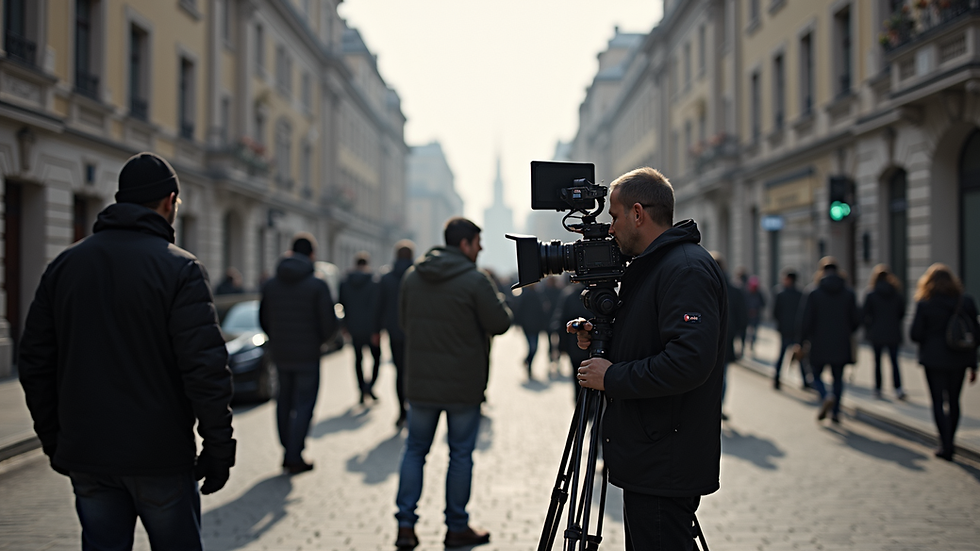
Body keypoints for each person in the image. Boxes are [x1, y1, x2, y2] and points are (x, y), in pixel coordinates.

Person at [18, 152, 235, 550]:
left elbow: (34, 362)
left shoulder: (65, 265)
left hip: (88, 453)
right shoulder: (180, 269)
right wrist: (219, 446)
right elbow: (204, 368)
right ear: (170, 201)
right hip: (159, 455)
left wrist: (55, 438)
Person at [569, 167, 727, 550]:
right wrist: (605, 345)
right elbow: (651, 343)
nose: (610, 228)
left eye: (614, 216)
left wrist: (611, 377)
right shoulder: (657, 265)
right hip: (653, 451)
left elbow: (687, 361)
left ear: (637, 214)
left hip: (664, 456)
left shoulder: (684, 268)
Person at [394, 217, 513, 549]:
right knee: (460, 455)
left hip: (421, 383)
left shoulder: (413, 276)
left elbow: (403, 322)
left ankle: (405, 525)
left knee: (414, 450)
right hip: (463, 384)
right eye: (478, 243)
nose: (481, 249)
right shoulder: (476, 280)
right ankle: (456, 527)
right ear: (464, 244)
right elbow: (501, 323)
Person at [260, 233, 339, 474]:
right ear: (312, 254)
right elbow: (329, 324)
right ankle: (294, 454)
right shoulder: (317, 284)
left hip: (281, 353)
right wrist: (318, 342)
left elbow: (263, 319)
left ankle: (287, 449)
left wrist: (277, 338)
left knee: (283, 401)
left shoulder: (271, 284)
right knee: (304, 403)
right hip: (308, 354)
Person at [909, 263, 979, 461]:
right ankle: (951, 440)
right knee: (954, 401)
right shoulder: (965, 301)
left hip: (934, 360)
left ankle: (945, 444)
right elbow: (975, 335)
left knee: (938, 401)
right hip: (959, 359)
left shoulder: (925, 302)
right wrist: (973, 364)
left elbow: (915, 334)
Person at [799, 257, 860, 423]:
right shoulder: (848, 293)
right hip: (841, 342)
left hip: (819, 343)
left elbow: (806, 321)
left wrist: (802, 341)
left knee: (815, 374)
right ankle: (836, 412)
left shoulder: (813, 292)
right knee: (838, 378)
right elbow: (856, 320)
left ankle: (825, 395)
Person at [374, 240, 416, 428]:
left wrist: (376, 330)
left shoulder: (387, 278)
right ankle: (414, 409)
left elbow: (379, 305)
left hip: (395, 330)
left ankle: (401, 410)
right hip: (416, 331)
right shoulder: (417, 276)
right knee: (414, 372)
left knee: (399, 372)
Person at [339, 251, 382, 404]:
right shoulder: (374, 282)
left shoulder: (345, 282)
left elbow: (341, 305)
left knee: (358, 360)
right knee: (376, 358)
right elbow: (378, 307)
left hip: (354, 327)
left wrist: (344, 326)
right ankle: (369, 387)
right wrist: (378, 329)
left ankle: (361, 389)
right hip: (371, 328)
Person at [710, 251, 746, 421]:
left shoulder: (702, 284)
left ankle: (708, 408)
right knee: (722, 374)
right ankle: (719, 406)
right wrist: (738, 335)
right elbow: (742, 317)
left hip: (705, 338)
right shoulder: (734, 289)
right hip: (726, 337)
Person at [863, 264, 907, 400]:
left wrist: (869, 328)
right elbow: (902, 312)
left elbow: (865, 314)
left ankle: (878, 388)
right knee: (894, 361)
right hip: (893, 332)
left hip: (877, 333)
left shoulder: (871, 294)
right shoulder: (896, 294)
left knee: (877, 362)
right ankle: (898, 388)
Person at [550, 280, 591, 403]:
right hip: (594, 346)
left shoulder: (568, 294)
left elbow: (561, 322)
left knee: (578, 377)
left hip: (574, 347)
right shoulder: (597, 294)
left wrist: (562, 347)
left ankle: (579, 402)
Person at [772, 269, 806, 390]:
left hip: (785, 330)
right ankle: (805, 380)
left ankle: (776, 378)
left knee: (782, 355)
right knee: (800, 356)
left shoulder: (780, 293)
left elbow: (775, 312)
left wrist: (781, 324)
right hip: (797, 330)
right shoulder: (801, 294)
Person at [515, 282, 549, 379]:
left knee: (535, 348)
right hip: (528, 326)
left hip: (536, 326)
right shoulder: (525, 296)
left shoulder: (538, 295)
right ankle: (528, 364)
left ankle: (527, 362)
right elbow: (519, 310)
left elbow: (542, 311)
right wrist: (519, 323)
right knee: (532, 347)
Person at [745, 274, 766, 352]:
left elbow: (763, 303)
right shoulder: (746, 293)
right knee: (747, 331)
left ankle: (752, 344)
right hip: (747, 316)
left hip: (756, 316)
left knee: (754, 332)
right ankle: (746, 343)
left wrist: (756, 309)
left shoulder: (759, 294)